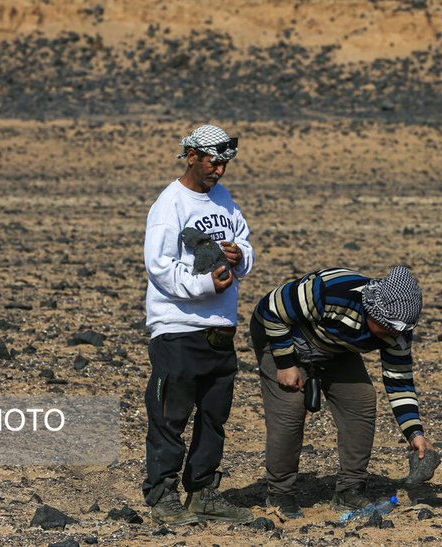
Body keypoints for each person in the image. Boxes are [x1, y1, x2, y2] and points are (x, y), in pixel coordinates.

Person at [250, 266, 434, 519]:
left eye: (402, 330)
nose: (396, 335)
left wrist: (415, 433)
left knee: (361, 402)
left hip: (334, 347)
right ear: (372, 312)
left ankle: (350, 490)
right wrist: (284, 363)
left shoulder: (397, 333)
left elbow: (399, 381)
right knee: (290, 411)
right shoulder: (332, 293)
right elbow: (272, 308)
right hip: (282, 335)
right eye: (390, 329)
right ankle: (280, 494)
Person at [142, 124, 254, 525]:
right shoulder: (170, 204)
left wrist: (240, 257)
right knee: (170, 418)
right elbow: (159, 266)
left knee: (213, 417)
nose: (219, 171)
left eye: (224, 164)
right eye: (212, 162)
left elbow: (245, 243)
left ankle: (203, 492)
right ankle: (161, 497)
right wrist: (204, 284)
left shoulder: (224, 200)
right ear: (191, 156)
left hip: (221, 331)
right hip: (178, 329)